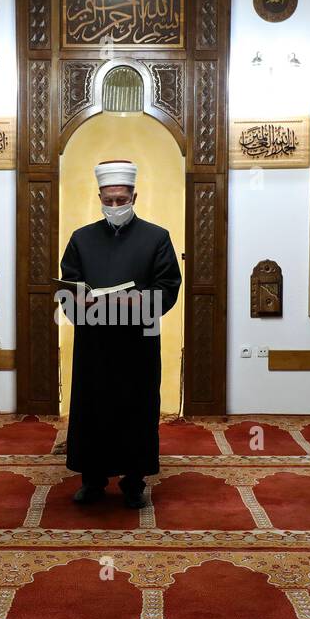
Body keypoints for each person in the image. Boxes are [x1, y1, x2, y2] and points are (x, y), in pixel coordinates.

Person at [59, 159, 182, 508]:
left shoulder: (157, 238)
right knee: (93, 409)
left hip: (137, 344)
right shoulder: (81, 239)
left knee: (136, 410)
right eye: (109, 201)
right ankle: (92, 481)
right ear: (99, 196)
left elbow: (169, 285)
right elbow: (68, 287)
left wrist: (139, 300)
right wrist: (78, 299)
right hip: (94, 343)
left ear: (134, 196)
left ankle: (134, 481)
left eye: (121, 200)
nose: (115, 207)